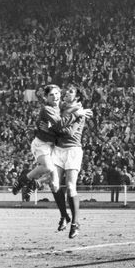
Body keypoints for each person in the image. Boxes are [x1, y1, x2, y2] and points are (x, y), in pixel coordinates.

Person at [47, 85, 92, 239]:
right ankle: (64, 216)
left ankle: (75, 223)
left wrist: (53, 128)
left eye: (70, 92)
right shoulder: (60, 108)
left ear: (77, 97)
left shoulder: (81, 111)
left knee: (71, 187)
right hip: (58, 150)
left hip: (72, 150)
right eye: (65, 92)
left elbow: (69, 132)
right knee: (53, 184)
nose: (66, 93)